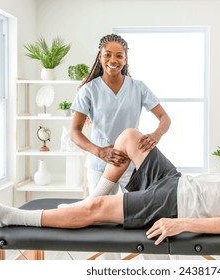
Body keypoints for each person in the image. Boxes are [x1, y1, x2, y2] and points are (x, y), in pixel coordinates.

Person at [0, 128, 220, 246]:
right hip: (178, 181)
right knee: (130, 137)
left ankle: (13, 218)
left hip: (177, 204)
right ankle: (93, 199)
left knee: (98, 213)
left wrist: (182, 223)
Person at [72, 33, 171, 197]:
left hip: (131, 166)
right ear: (100, 57)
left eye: (119, 56)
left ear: (125, 60)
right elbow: (75, 133)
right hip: (100, 166)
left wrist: (156, 135)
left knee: (135, 214)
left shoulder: (138, 87)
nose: (113, 60)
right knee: (98, 214)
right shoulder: (88, 90)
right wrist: (100, 152)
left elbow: (164, 118)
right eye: (107, 55)